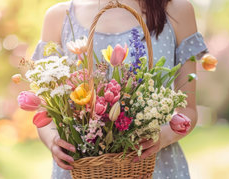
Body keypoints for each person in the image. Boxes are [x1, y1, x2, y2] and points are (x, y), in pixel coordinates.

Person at [32, 0, 208, 178]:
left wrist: (162, 137)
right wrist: (54, 141)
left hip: (153, 167)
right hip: (82, 169)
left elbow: (188, 111)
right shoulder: (59, 16)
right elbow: (45, 111)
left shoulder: (176, 11)